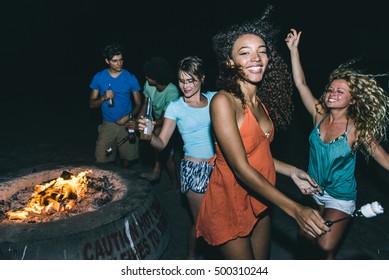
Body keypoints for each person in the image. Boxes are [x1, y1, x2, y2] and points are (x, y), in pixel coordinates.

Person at [196, 6, 330, 260]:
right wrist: (295, 210)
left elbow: (259, 151)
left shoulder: (260, 103)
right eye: (245, 53)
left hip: (260, 198)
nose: (256, 58)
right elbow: (241, 167)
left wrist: (291, 171)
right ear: (230, 62)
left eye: (262, 52)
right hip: (230, 200)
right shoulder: (223, 102)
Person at [285, 28, 389, 259]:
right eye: (330, 89)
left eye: (340, 92)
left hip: (339, 196)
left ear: (352, 100)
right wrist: (294, 50)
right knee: (305, 239)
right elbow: (301, 83)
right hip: (312, 190)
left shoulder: (357, 129)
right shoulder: (318, 114)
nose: (332, 94)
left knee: (325, 246)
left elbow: (384, 158)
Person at [139, 55, 216, 259]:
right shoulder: (175, 107)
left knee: (219, 221)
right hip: (194, 170)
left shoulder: (216, 99)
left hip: (220, 168)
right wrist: (148, 136)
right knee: (202, 223)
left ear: (202, 78)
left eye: (191, 80)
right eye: (182, 80)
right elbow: (162, 142)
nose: (185, 86)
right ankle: (191, 257)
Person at [89, 43, 142, 168]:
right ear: (107, 61)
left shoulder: (130, 78)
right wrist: (103, 97)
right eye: (115, 61)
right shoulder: (99, 77)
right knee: (102, 160)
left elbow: (139, 104)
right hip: (108, 124)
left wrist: (128, 116)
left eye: (121, 60)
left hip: (127, 124)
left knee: (127, 160)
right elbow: (92, 104)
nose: (119, 64)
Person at [139, 56, 180, 191]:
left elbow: (165, 117)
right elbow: (145, 104)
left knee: (168, 158)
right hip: (156, 120)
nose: (146, 78)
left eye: (149, 76)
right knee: (159, 148)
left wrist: (150, 124)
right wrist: (139, 121)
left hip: (171, 123)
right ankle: (156, 173)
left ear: (156, 79)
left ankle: (174, 184)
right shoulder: (149, 86)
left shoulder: (172, 91)